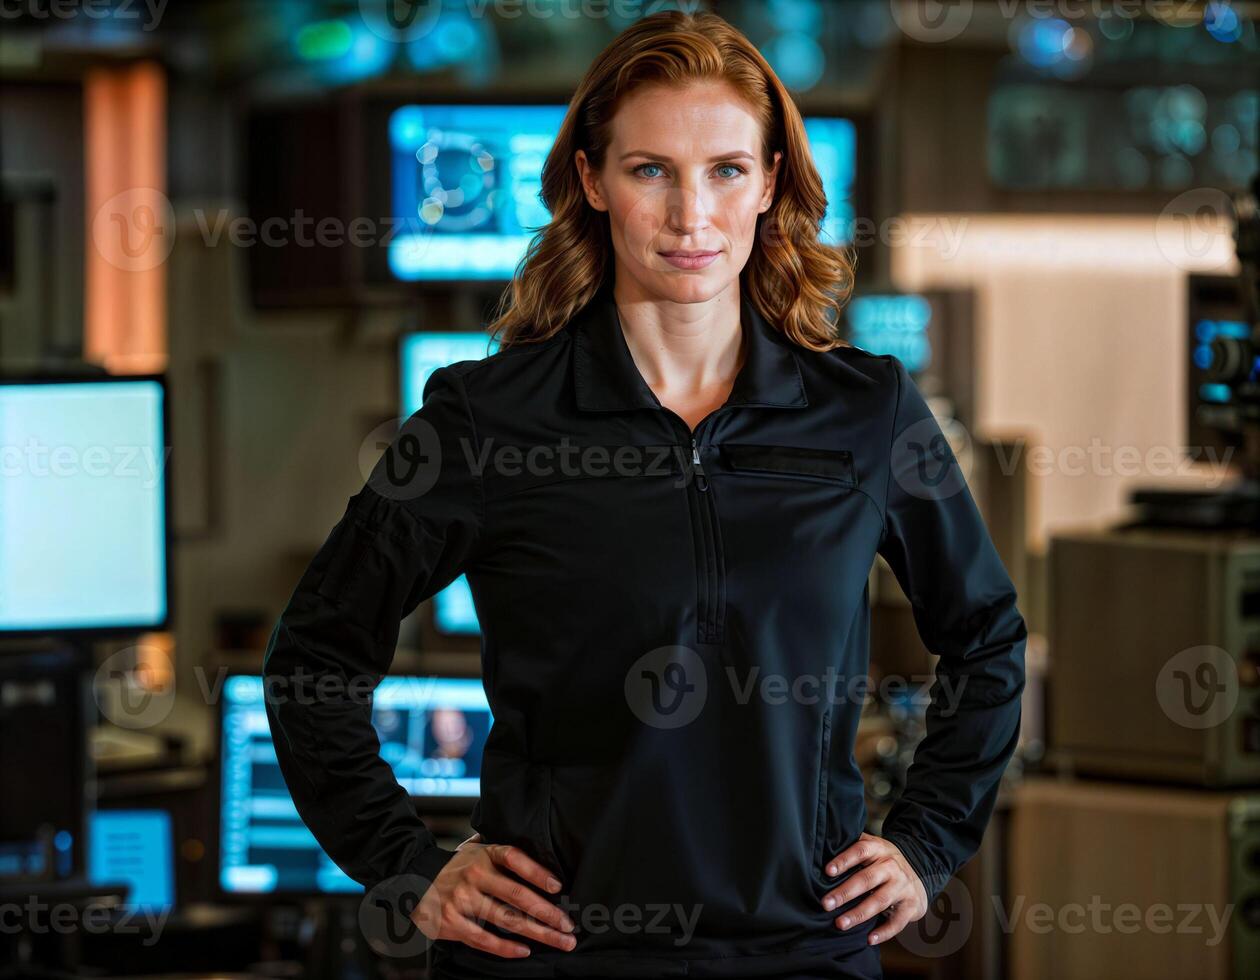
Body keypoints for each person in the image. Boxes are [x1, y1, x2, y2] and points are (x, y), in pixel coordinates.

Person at [262, 9, 1027, 980]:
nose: (691, 216)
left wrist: (925, 843)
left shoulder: (864, 412)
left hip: (799, 954)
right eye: (649, 169)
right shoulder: (488, 419)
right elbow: (312, 657)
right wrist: (408, 865)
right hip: (552, 956)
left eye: (726, 171)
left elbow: (989, 634)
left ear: (771, 184)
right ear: (592, 180)